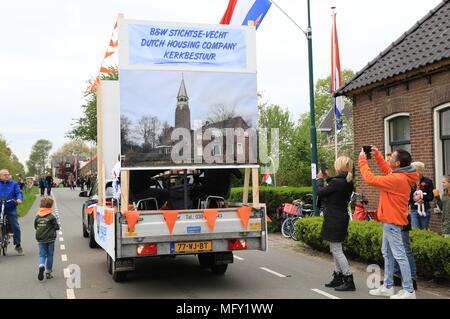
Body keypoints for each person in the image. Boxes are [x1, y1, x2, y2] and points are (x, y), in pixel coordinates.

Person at [359, 147, 419, 299]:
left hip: (392, 222)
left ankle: (409, 291)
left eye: (391, 157)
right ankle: (387, 286)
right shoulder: (400, 174)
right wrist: (377, 156)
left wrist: (362, 159)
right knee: (388, 254)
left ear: (398, 163)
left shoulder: (398, 179)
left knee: (399, 255)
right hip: (390, 222)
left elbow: (370, 179)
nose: (389, 159)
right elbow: (387, 170)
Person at [317, 156, 355, 291]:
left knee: (337, 250)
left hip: (335, 218)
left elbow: (320, 192)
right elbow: (334, 186)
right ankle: (338, 276)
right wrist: (327, 177)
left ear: (338, 167)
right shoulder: (347, 181)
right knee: (335, 249)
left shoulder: (338, 183)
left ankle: (348, 278)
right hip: (339, 217)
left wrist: (319, 179)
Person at [34, 197, 60, 280]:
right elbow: (57, 227)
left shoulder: (38, 216)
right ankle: (48, 272)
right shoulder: (52, 216)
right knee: (49, 255)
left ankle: (41, 265)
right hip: (50, 238)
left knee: (42, 254)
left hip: (40, 238)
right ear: (50, 206)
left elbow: (35, 226)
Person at [0, 169, 24, 254]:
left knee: (15, 225)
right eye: (5, 175)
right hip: (0, 207)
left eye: (8, 174)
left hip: (10, 206)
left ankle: (18, 244)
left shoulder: (14, 184)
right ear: (0, 176)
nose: (7, 176)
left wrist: (19, 199)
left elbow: (18, 193)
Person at [409, 162, 434, 230]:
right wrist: (414, 199)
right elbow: (408, 196)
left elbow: (431, 197)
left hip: (425, 210)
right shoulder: (410, 182)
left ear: (421, 171)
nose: (414, 172)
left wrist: (422, 199)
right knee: (415, 230)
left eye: (416, 170)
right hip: (414, 209)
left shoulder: (428, 181)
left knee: (423, 231)